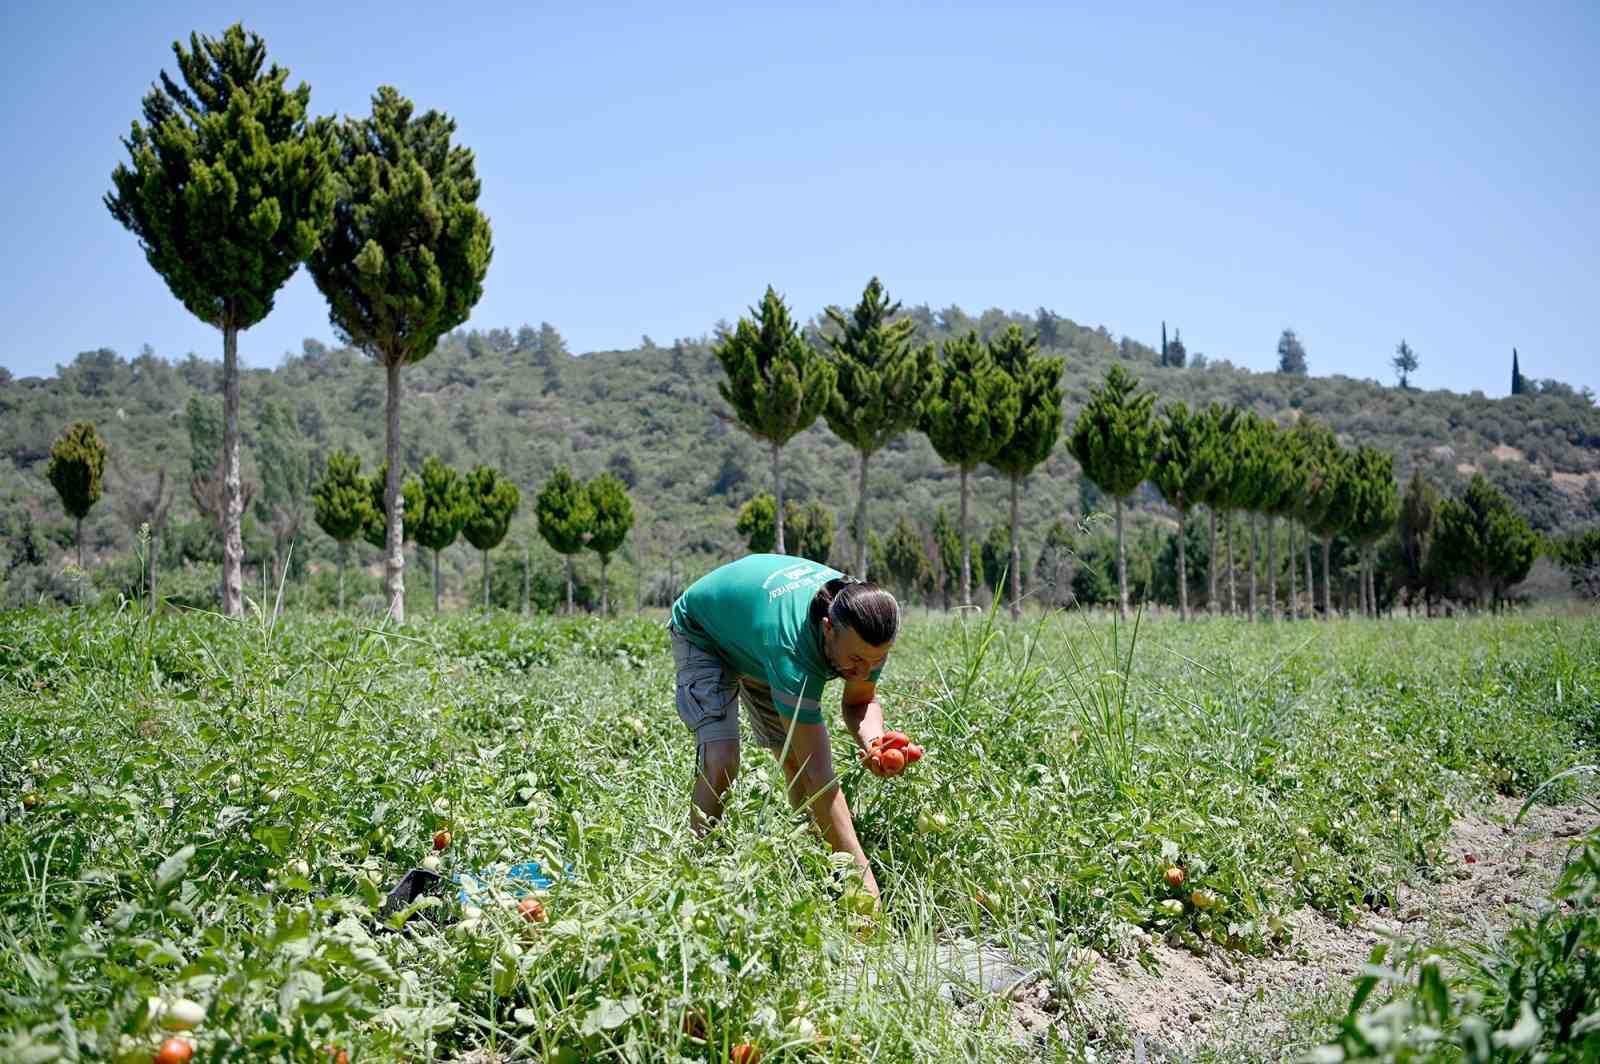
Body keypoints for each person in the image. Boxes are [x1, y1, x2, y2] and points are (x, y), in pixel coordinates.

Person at [668, 553, 913, 903]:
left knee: (796, 764)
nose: (865, 671)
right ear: (828, 628)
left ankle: (811, 867)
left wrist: (875, 742)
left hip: (754, 635)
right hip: (705, 632)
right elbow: (821, 776)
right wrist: (864, 885)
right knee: (722, 758)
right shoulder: (792, 651)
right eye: (856, 661)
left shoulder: (866, 630)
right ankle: (691, 877)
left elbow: (859, 702)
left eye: (875, 662)